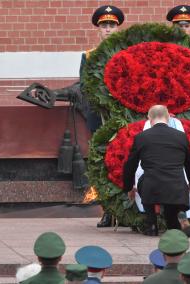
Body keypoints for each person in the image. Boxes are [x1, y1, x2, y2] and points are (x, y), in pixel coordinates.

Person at [123, 105, 190, 236]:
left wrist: (129, 187)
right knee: (172, 214)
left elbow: (130, 165)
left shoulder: (142, 137)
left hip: (152, 186)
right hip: (176, 187)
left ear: (149, 119)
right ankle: (175, 222)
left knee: (144, 180)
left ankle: (152, 224)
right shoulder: (181, 137)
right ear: (168, 117)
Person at [82, 5, 124, 228]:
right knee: (102, 165)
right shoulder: (88, 56)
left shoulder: (126, 54)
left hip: (123, 117)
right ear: (98, 30)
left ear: (118, 28)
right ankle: (107, 211)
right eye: (104, 25)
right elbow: (84, 88)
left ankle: (126, 212)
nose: (108, 29)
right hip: (99, 119)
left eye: (112, 25)